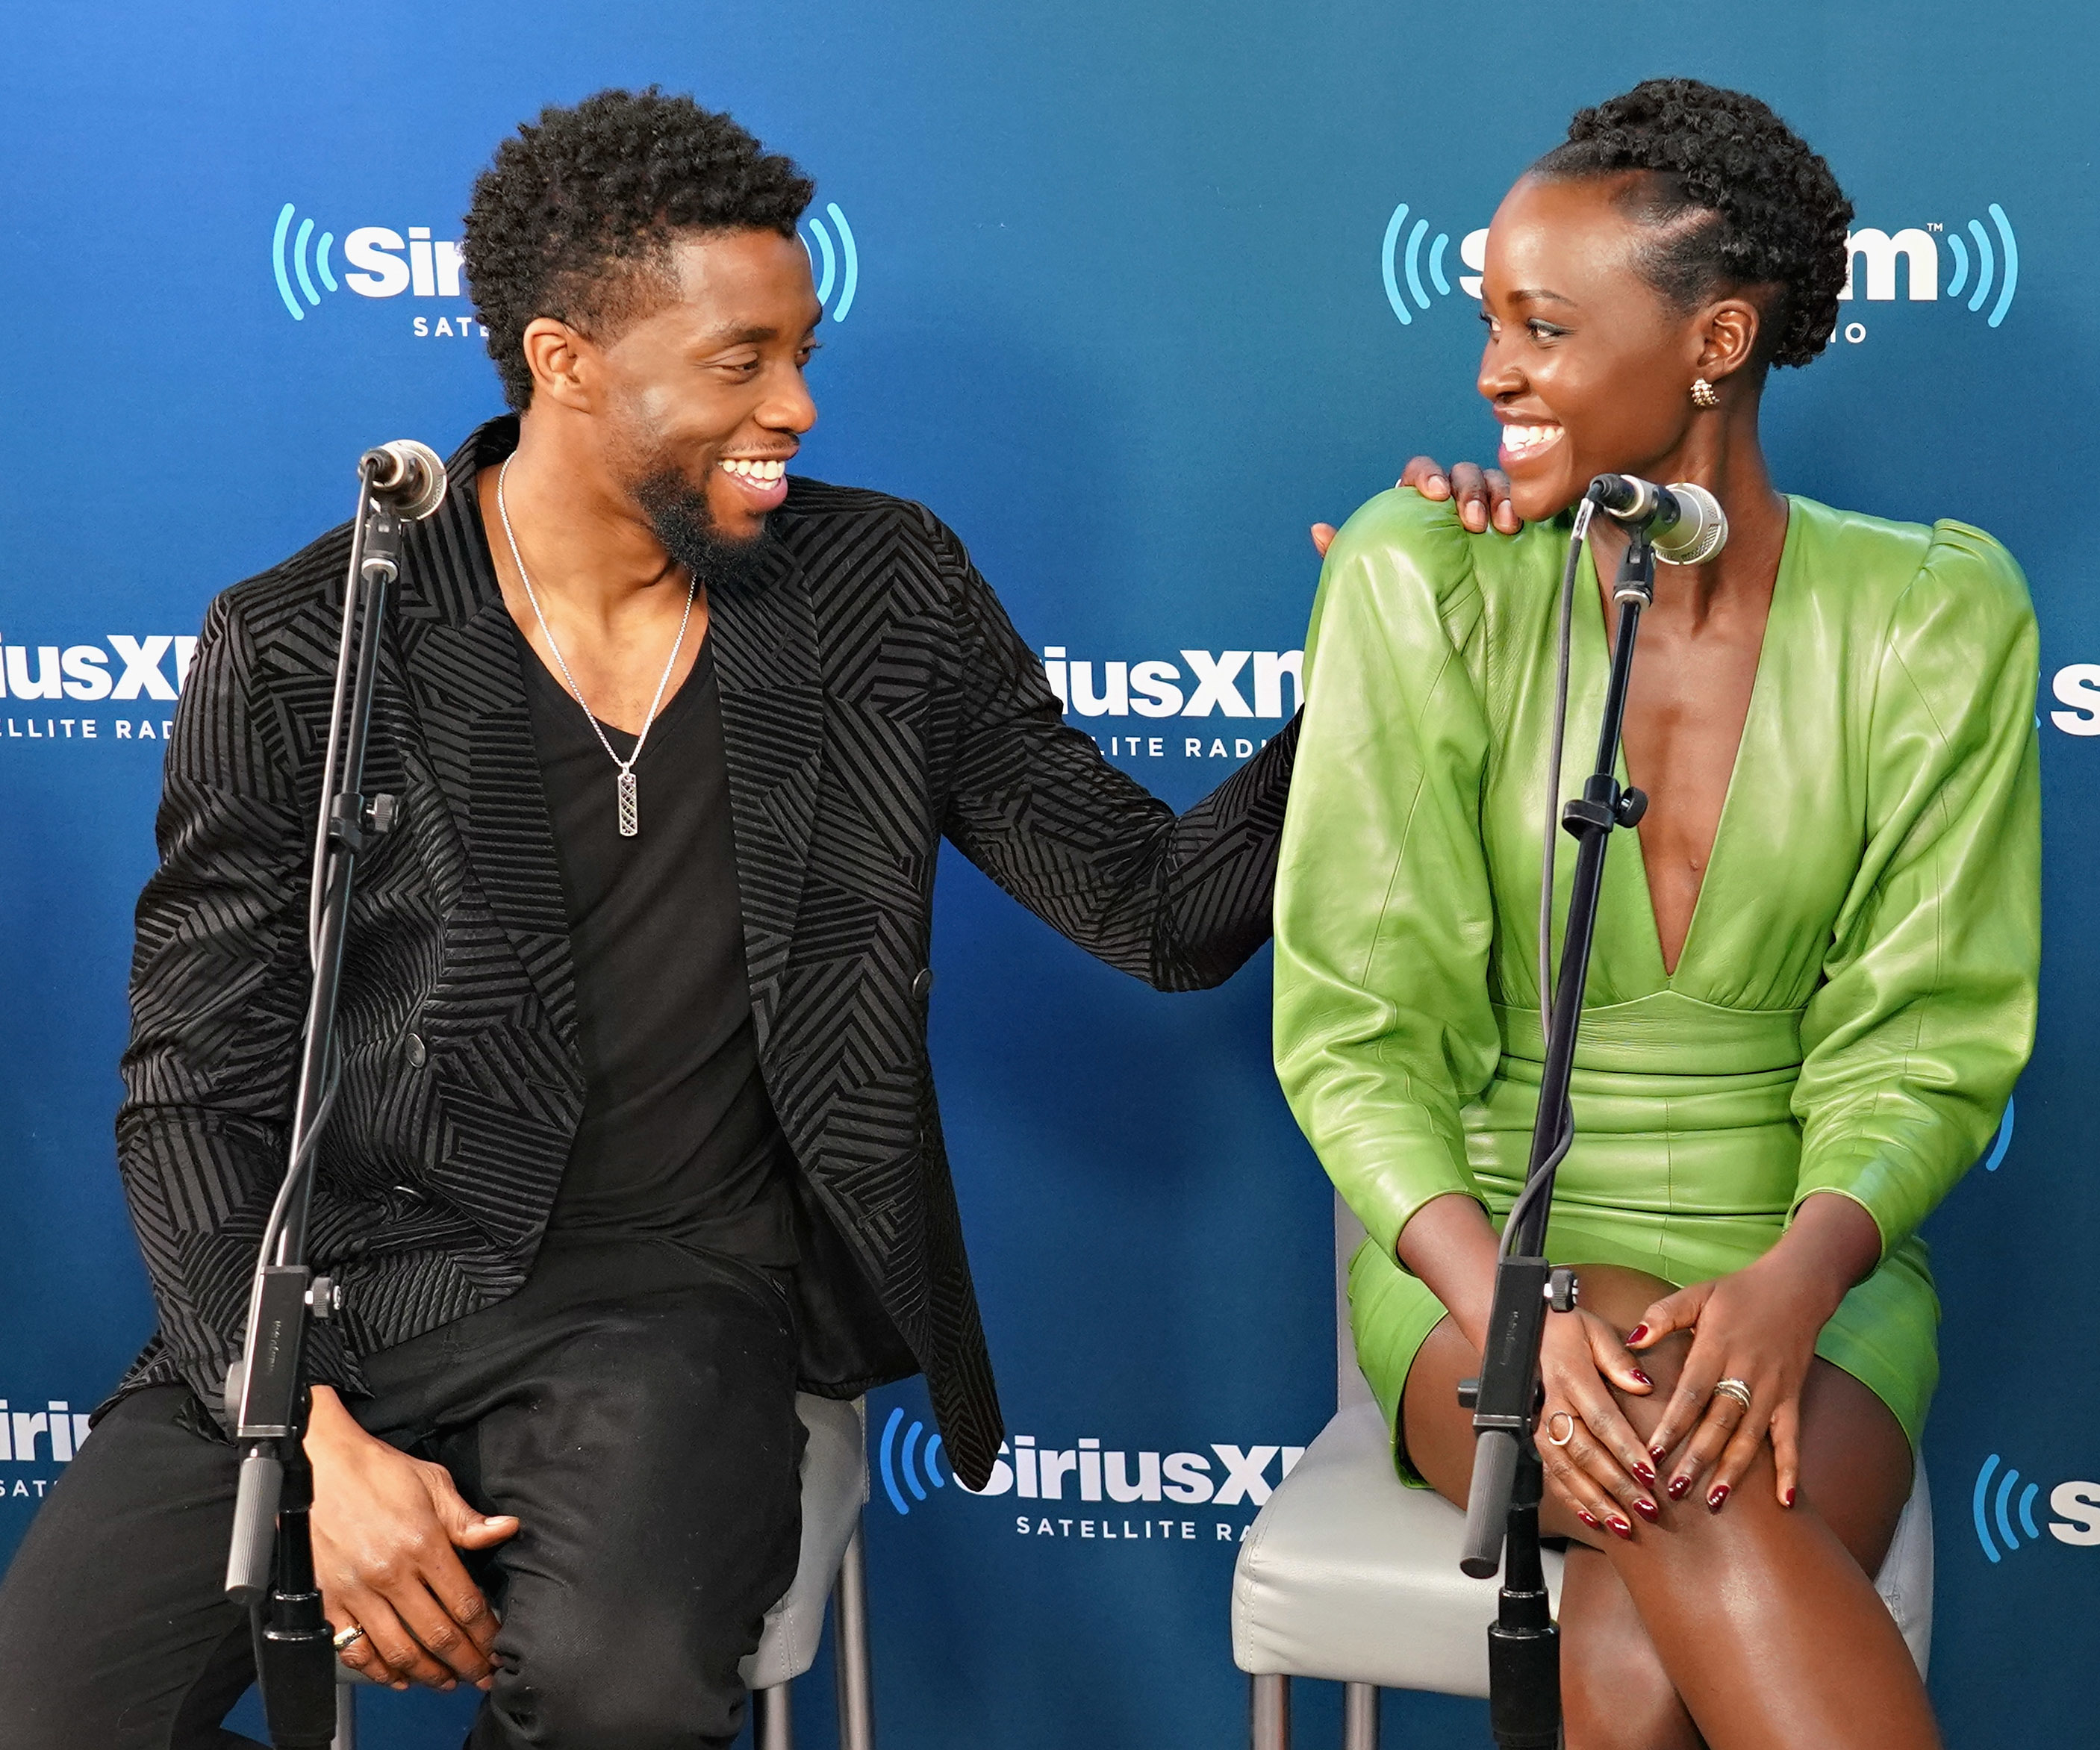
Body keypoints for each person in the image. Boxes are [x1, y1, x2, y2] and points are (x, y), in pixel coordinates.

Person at [0, 88, 1294, 1749]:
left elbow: (1160, 905)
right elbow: (192, 1084)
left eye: (803, 350)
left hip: (678, 1311)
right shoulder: (314, 638)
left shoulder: (877, 593)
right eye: (741, 362)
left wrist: (1398, 671)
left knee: (615, 1689)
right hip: (342, 1301)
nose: (800, 406)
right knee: (48, 1709)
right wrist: (308, 1436)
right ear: (565, 361)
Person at [1276, 79, 2037, 1749]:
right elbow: (1355, 1031)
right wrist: (1510, 1316)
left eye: (1542, 326)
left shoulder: (1935, 615)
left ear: (1718, 340)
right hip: (1487, 1251)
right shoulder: (1425, 572)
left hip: (1808, 1262)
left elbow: (1933, 1034)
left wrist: (1793, 1279)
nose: (1493, 373)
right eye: (1487, 321)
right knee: (1658, 1435)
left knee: (1628, 1655)